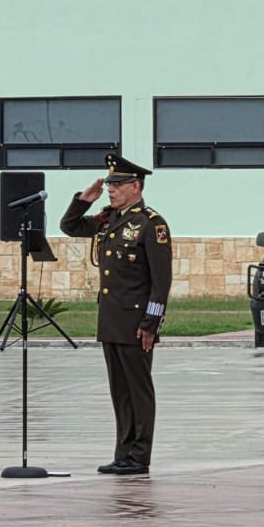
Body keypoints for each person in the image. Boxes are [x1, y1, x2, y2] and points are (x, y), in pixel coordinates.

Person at [59, 154, 173, 475]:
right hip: (111, 321)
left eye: (117, 184)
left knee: (138, 391)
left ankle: (139, 456)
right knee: (119, 391)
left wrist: (151, 323)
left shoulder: (151, 223)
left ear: (135, 186)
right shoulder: (109, 219)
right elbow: (69, 227)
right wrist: (83, 201)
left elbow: (160, 282)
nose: (111, 189)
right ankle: (123, 452)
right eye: (109, 184)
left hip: (136, 323)